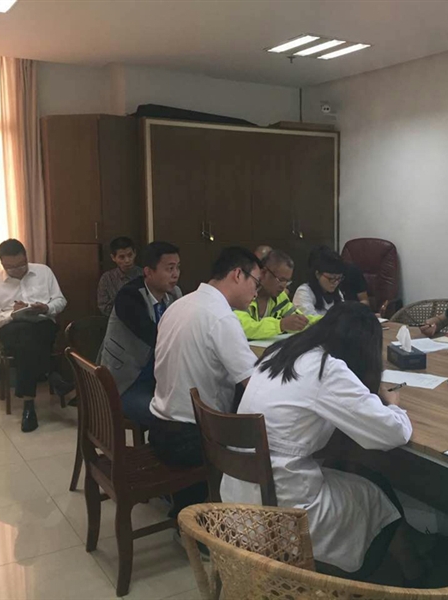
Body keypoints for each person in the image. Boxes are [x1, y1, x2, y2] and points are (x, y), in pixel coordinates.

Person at [221, 302, 431, 585]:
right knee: (376, 494)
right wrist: (392, 404)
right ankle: (407, 574)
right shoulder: (327, 369)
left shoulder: (281, 353)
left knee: (366, 480)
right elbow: (394, 433)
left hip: (239, 497)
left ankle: (406, 559)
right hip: (282, 510)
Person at [149, 247, 261, 511]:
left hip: (158, 426)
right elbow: (255, 385)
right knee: (267, 434)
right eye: (256, 283)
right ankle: (228, 514)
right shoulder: (221, 317)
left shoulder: (179, 305)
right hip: (190, 440)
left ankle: (185, 505)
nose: (257, 292)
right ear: (237, 275)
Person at [0, 239, 67, 432]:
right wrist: (11, 314)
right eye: (11, 267)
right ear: (2, 263)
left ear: (26, 257)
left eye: (21, 264)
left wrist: (46, 308)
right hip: (12, 329)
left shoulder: (43, 271)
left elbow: (60, 300)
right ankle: (51, 373)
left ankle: (29, 406)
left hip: (43, 324)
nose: (18, 270)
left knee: (30, 338)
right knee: (24, 333)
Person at [99, 242, 182, 427]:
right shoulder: (129, 296)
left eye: (178, 267)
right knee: (167, 419)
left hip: (159, 379)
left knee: (195, 408)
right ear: (148, 272)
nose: (176, 274)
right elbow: (156, 337)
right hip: (127, 382)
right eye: (170, 268)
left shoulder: (175, 294)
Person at [235, 249, 321, 340]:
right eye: (280, 280)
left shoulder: (280, 298)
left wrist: (325, 320)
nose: (283, 286)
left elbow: (300, 319)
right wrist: (280, 325)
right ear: (263, 273)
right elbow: (243, 327)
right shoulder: (244, 294)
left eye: (287, 281)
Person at [97, 237, 143, 317]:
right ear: (113, 258)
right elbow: (103, 306)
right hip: (116, 319)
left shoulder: (144, 275)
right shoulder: (107, 278)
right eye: (122, 257)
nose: (127, 260)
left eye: (130, 255)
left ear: (135, 253)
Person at [293, 247, 346, 317]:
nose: (336, 283)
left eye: (339, 278)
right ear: (317, 274)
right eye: (331, 278)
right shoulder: (304, 292)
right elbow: (310, 320)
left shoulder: (337, 293)